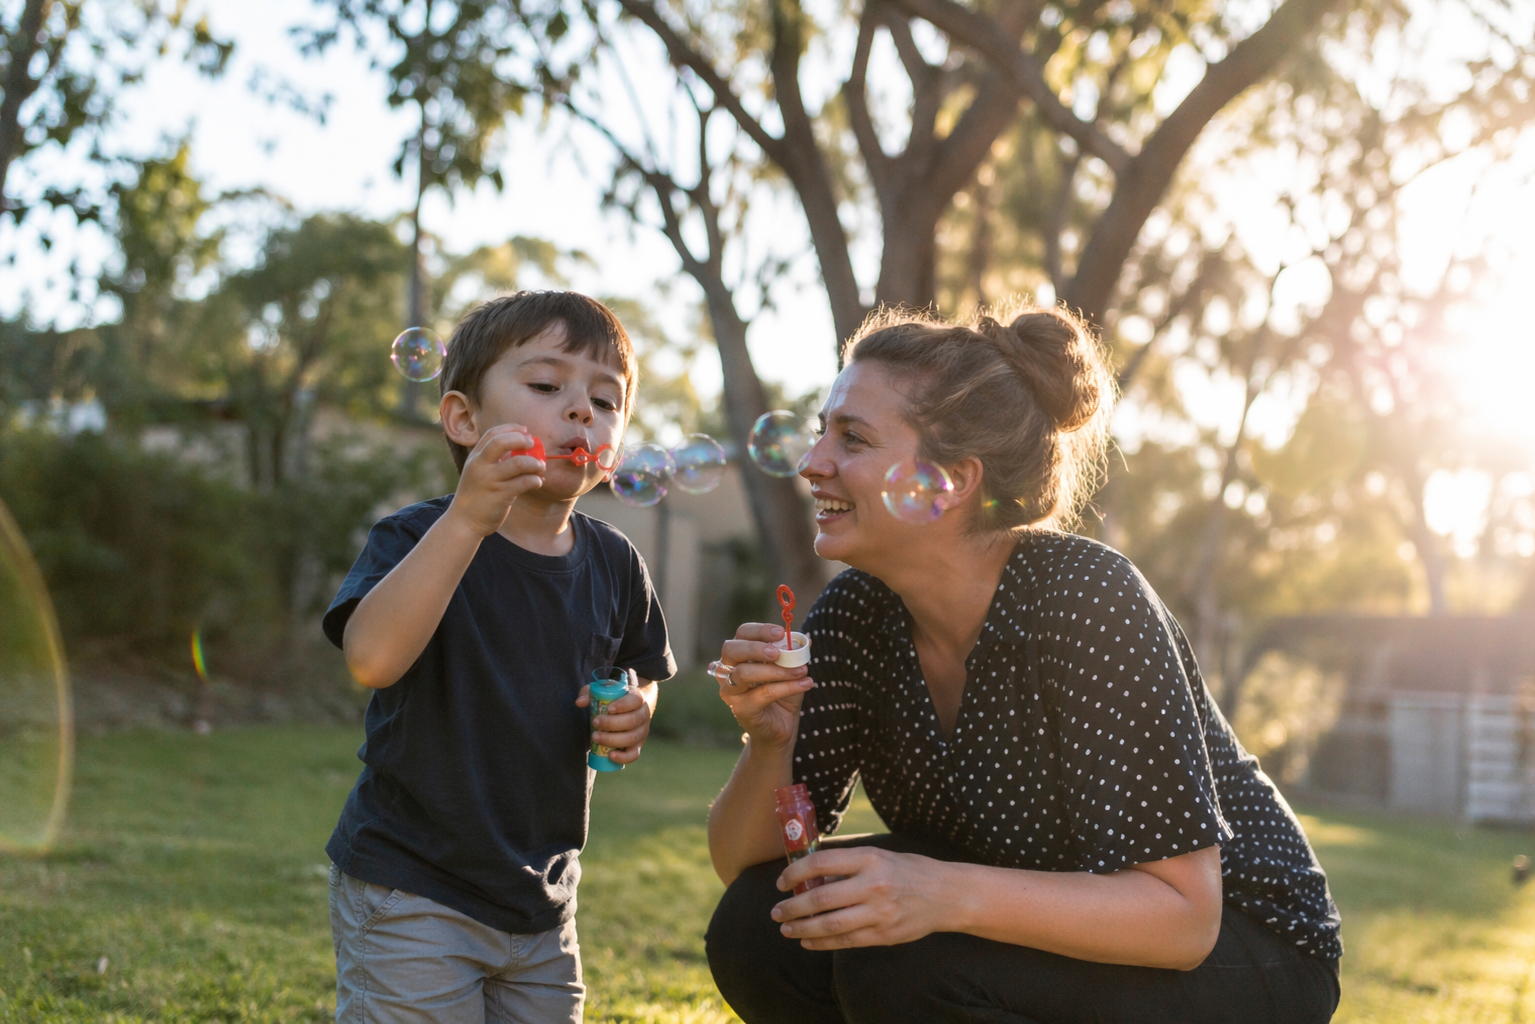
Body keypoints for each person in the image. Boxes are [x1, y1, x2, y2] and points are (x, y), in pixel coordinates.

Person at [703, 304, 1341, 1024]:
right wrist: (769, 741)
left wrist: (938, 892)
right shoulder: (856, 615)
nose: (813, 461)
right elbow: (746, 867)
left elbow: (1184, 920)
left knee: (907, 961)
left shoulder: (1084, 600)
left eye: (850, 437)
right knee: (760, 924)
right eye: (822, 431)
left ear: (948, 482)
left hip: (1246, 948)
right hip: (1035, 910)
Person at [321, 291, 675, 1024]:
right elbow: (371, 658)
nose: (582, 411)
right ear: (463, 419)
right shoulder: (418, 537)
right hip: (413, 885)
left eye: (606, 401)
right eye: (547, 387)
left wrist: (636, 706)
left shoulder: (615, 563)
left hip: (542, 903)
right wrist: (466, 521)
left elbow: (641, 670)